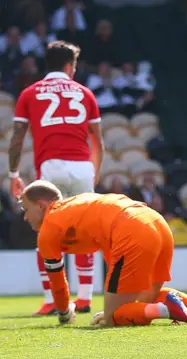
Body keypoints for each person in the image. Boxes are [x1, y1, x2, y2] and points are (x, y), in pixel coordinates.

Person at [19, 180, 187, 326]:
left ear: (40, 205)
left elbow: (57, 282)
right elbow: (108, 243)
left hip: (130, 230)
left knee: (114, 317)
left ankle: (166, 309)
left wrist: (65, 314)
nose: (25, 218)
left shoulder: (49, 229)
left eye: (25, 209)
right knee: (146, 297)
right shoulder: (77, 206)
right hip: (157, 222)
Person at [8, 41, 104, 315]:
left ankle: (52, 299)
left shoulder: (30, 93)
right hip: (82, 166)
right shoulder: (85, 93)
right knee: (85, 230)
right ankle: (84, 298)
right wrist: (93, 171)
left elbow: (17, 138)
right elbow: (98, 140)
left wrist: (14, 174)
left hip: (51, 167)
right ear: (68, 66)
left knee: (47, 230)